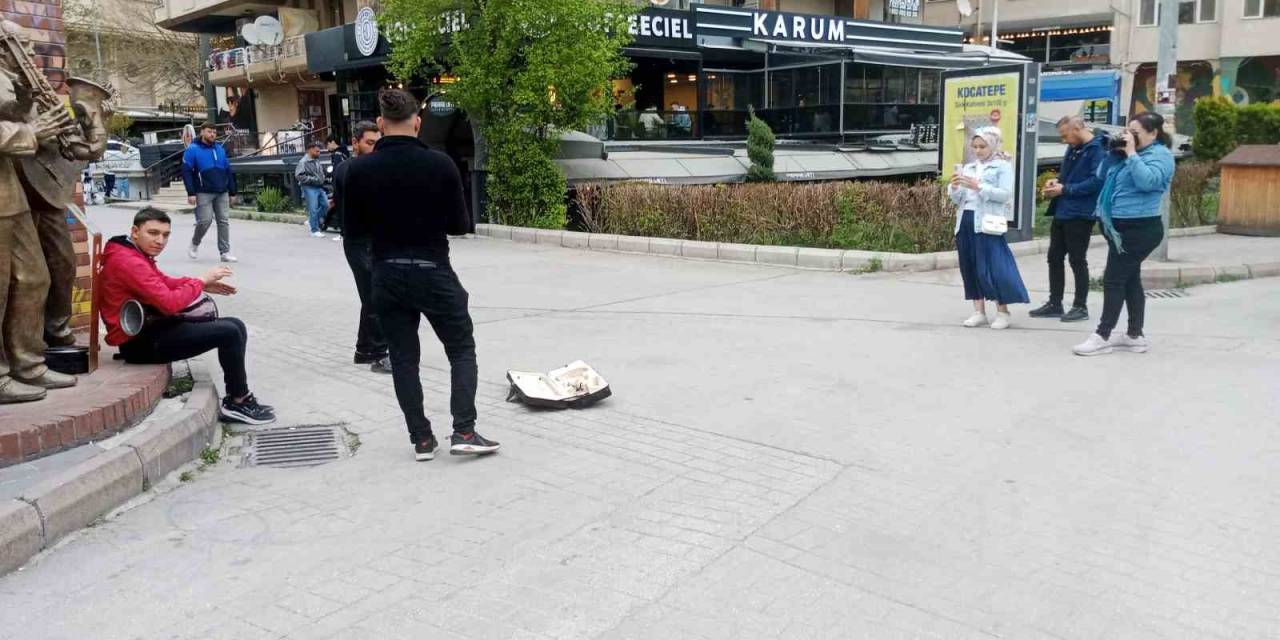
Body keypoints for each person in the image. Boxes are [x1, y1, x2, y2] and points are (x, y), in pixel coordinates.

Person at [343, 89, 500, 461]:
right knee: (461, 349)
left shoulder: (358, 170)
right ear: (418, 122)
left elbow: (354, 232)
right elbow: (461, 225)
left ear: (381, 125)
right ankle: (463, 429)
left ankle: (422, 440)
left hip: (387, 273)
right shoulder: (441, 164)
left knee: (403, 358)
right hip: (433, 270)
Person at [99, 208, 275, 425]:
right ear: (135, 231)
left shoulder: (131, 253)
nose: (160, 241)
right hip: (139, 344)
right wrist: (200, 281)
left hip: (151, 331)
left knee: (235, 325)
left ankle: (240, 398)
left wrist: (199, 283)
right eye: (153, 233)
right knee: (228, 332)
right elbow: (169, 303)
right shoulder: (128, 261)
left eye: (165, 235)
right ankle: (238, 402)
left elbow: (163, 282)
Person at [0, 57, 80, 404]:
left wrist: (23, 98)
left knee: (34, 278)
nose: (25, 51)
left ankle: (29, 365)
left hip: (9, 195)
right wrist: (33, 131)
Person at [1072, 112, 1175, 357]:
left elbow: (1148, 182)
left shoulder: (1161, 156)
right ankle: (1134, 336)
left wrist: (1131, 154)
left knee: (1114, 279)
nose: (1130, 135)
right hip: (1117, 226)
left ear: (1153, 133)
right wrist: (1114, 151)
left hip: (1139, 228)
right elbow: (1100, 176)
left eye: (1136, 132)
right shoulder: (1128, 154)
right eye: (1128, 130)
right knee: (1130, 280)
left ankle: (1102, 335)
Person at [947, 126, 1029, 330]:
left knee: (995, 267)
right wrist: (955, 187)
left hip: (987, 222)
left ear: (992, 145)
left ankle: (1003, 311)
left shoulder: (1002, 166)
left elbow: (1005, 194)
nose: (978, 150)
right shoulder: (969, 167)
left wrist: (980, 187)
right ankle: (978, 311)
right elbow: (958, 199)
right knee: (970, 266)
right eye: (974, 146)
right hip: (965, 220)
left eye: (982, 146)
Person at [1031, 116, 1105, 323]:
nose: (1065, 140)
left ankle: (1080, 306)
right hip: (1063, 210)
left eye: (1066, 135)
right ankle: (1055, 303)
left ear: (1078, 128)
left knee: (1077, 259)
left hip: (1081, 213)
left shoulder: (1097, 150)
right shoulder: (1074, 148)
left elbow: (1096, 182)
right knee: (1054, 257)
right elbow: (1067, 175)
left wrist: (1066, 189)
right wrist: (1057, 181)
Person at [330, 121, 390, 374]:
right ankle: (378, 353)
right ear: (355, 143)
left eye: (378, 143)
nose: (375, 148)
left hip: (370, 240)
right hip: (359, 241)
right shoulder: (348, 168)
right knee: (375, 297)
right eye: (369, 143)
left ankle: (364, 350)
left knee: (371, 297)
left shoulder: (364, 168)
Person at [182, 122, 238, 263]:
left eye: (214, 132)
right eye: (209, 131)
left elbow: (228, 171)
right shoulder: (192, 150)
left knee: (223, 221)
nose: (212, 134)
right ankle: (195, 243)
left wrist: (232, 192)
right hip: (203, 191)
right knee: (205, 221)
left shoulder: (219, 149)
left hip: (221, 191)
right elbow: (186, 172)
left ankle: (224, 252)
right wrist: (191, 193)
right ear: (202, 132)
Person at [295, 141, 328, 238]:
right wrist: (313, 179)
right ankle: (314, 230)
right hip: (309, 187)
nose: (319, 153)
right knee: (313, 209)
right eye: (317, 151)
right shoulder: (303, 162)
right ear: (310, 150)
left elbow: (320, 172)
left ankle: (311, 221)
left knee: (326, 205)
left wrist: (322, 178)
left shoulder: (316, 159)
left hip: (319, 186)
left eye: (319, 151)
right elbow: (298, 175)